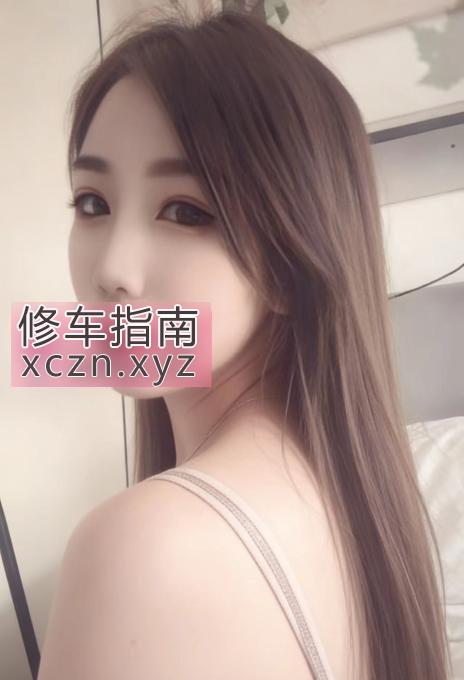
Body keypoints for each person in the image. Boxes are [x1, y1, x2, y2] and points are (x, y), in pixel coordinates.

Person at [37, 6, 452, 679]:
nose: (112, 269)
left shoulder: (144, 547)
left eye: (185, 211)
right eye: (93, 203)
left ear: (290, 264)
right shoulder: (358, 498)